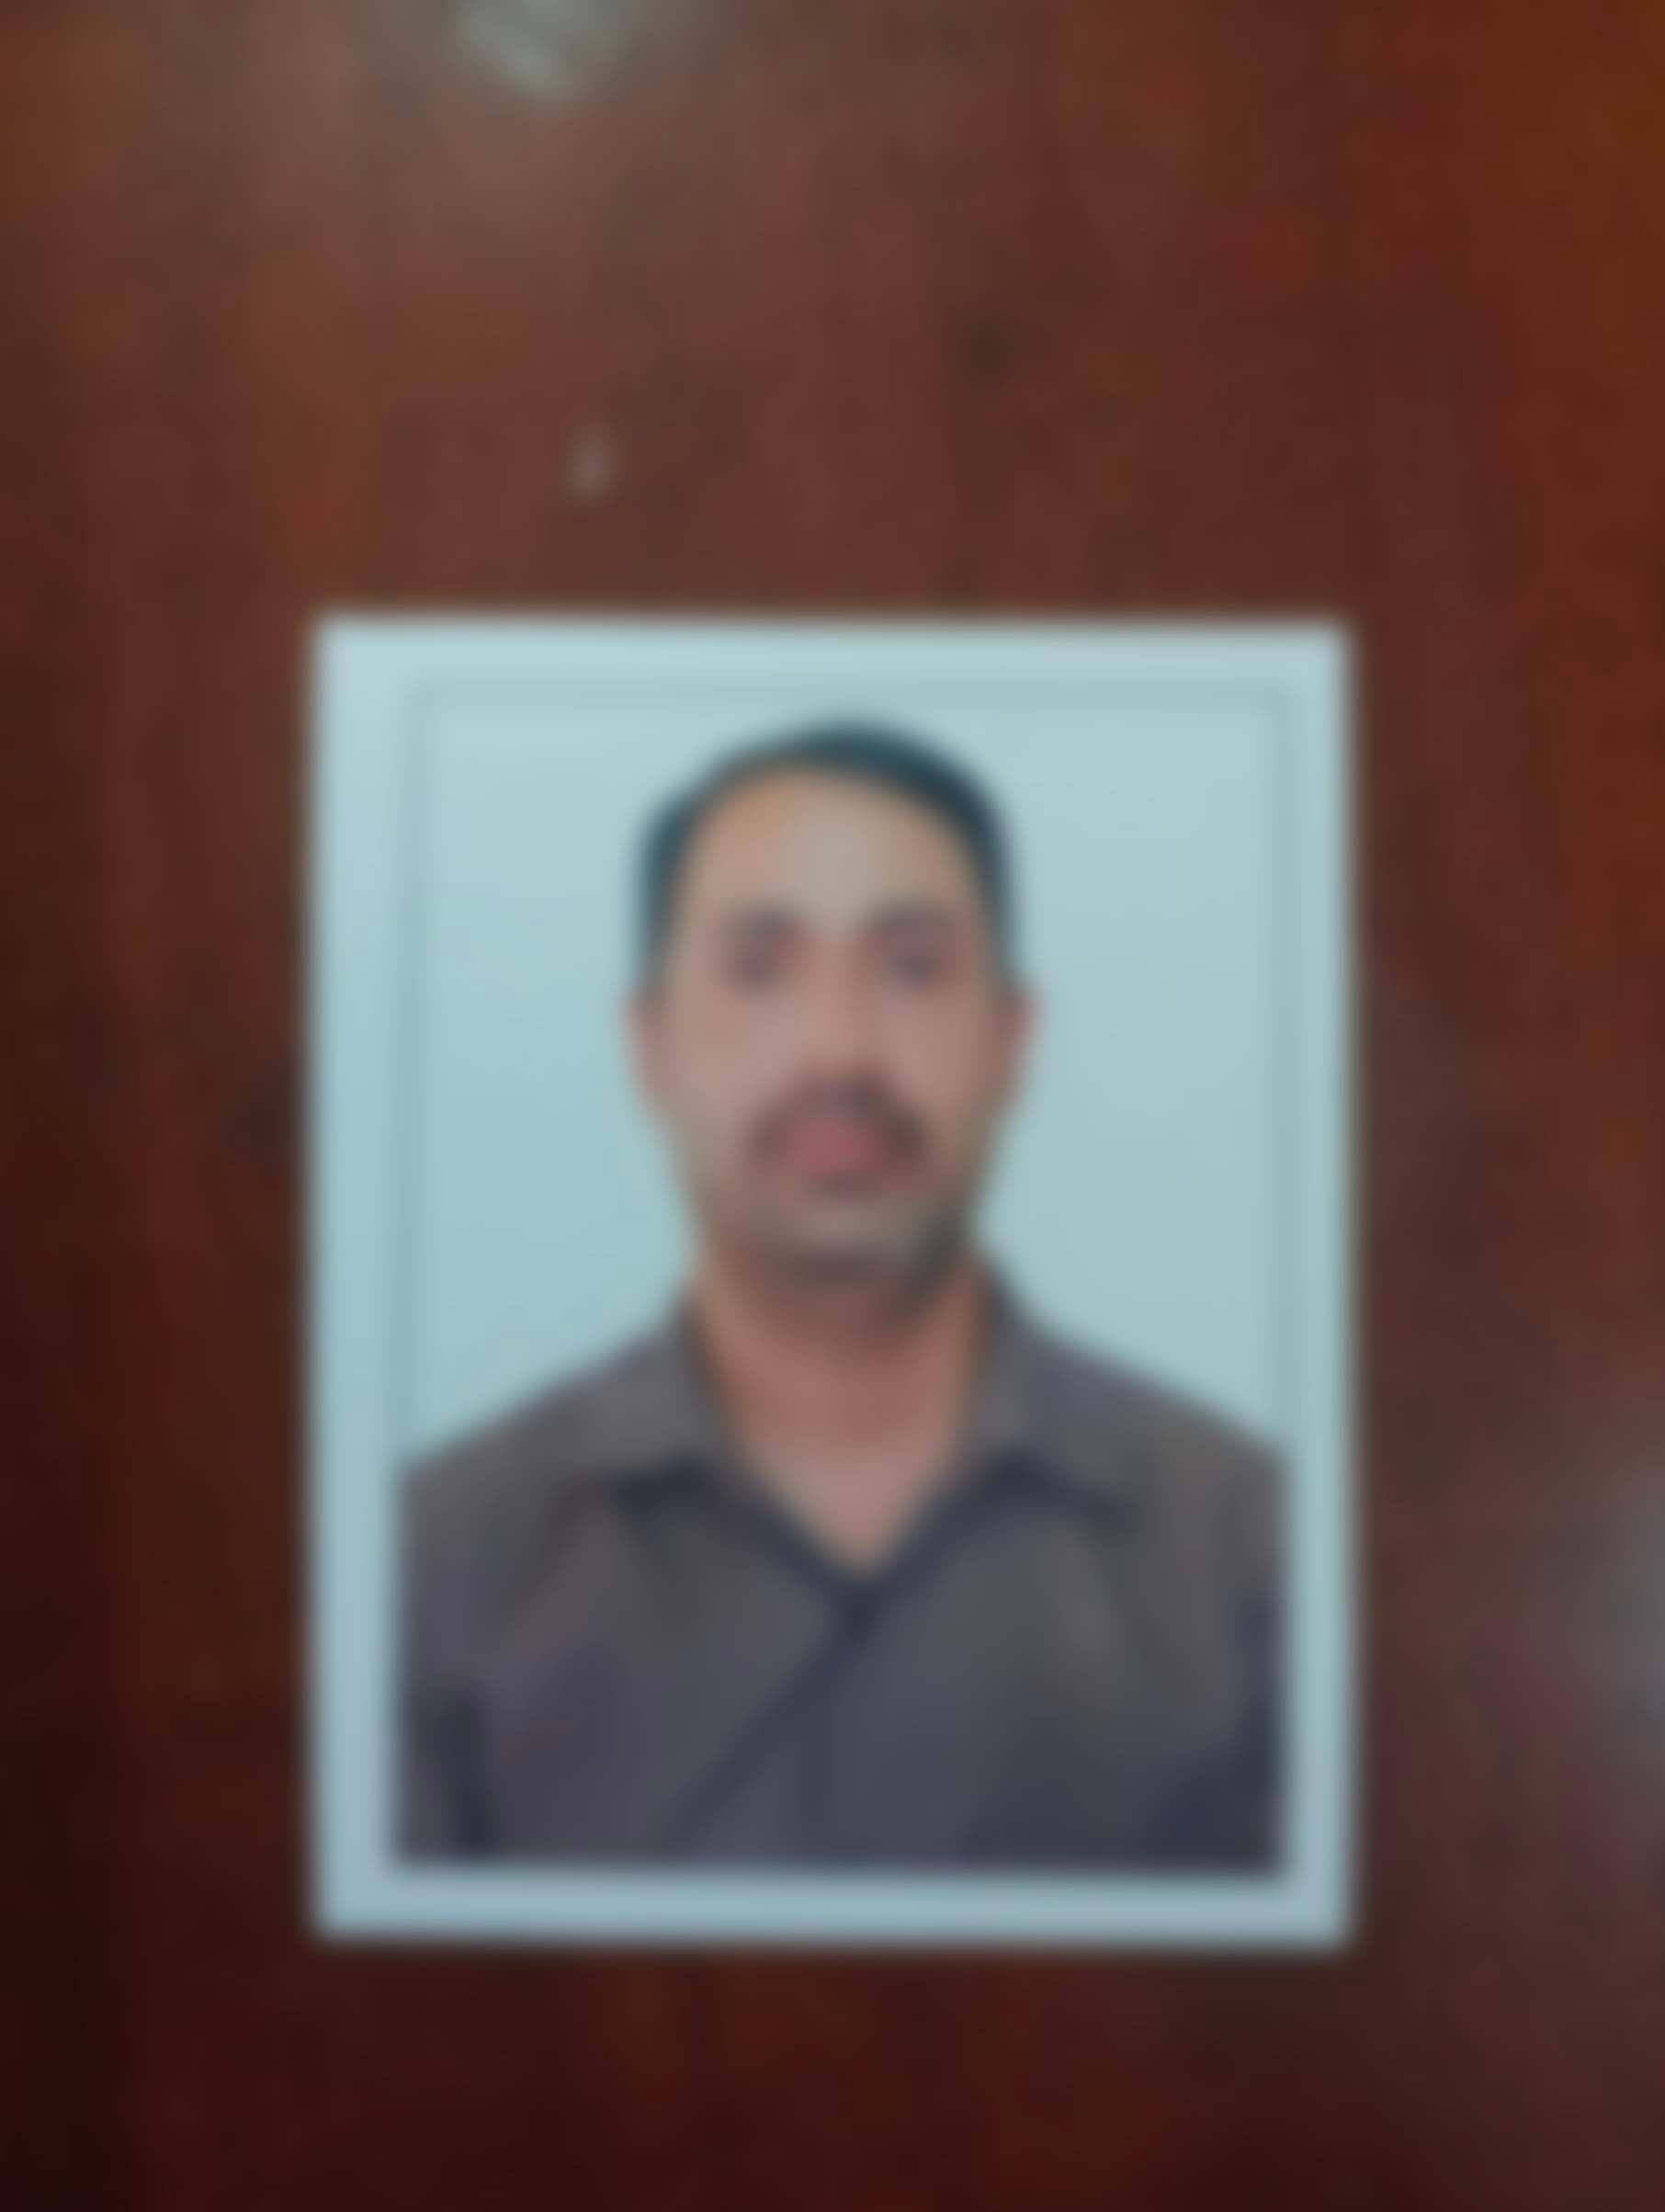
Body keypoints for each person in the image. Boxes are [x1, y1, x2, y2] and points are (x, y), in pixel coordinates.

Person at [400, 721, 1283, 1866]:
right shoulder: (436, 1562)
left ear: (1009, 1042)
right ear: (652, 1047)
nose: (840, 1050)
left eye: (912, 967)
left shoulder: (1254, 1551)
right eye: (759, 968)